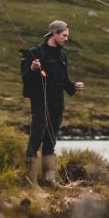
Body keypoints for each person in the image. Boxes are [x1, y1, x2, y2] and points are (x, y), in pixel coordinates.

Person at [21, 20, 84, 187]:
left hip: (57, 104)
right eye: (64, 36)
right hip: (40, 103)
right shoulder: (35, 53)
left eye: (67, 36)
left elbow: (64, 81)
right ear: (54, 33)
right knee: (36, 139)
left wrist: (73, 86)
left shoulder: (63, 55)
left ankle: (49, 181)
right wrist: (33, 69)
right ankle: (31, 182)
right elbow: (25, 78)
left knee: (51, 141)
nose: (66, 39)